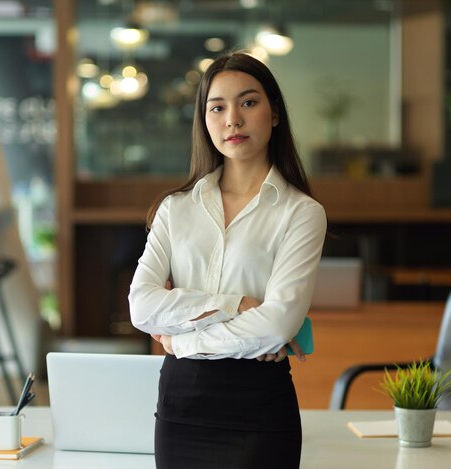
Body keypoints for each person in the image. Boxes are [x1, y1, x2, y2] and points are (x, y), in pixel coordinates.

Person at [129, 50, 327, 469]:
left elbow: (277, 324)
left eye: (248, 103)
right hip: (180, 407)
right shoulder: (175, 208)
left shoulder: (301, 213)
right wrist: (236, 305)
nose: (232, 120)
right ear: (204, 120)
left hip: (259, 409)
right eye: (217, 107)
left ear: (274, 114)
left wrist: (182, 340)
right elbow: (142, 306)